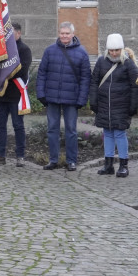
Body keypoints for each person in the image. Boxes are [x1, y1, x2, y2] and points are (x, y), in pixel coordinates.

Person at [36, 21, 91, 171]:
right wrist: (41, 94)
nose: (64, 36)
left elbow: (86, 78)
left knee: (71, 131)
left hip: (72, 99)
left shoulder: (82, 52)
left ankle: (71, 160)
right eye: (62, 33)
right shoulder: (49, 51)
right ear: (59, 34)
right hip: (52, 97)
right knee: (52, 129)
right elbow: (42, 73)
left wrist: (82, 99)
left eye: (67, 33)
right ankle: (53, 160)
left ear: (73, 34)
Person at [88, 34, 138, 177]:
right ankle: (108, 164)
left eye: (117, 50)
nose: (114, 53)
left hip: (122, 105)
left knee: (119, 133)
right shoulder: (101, 62)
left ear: (121, 49)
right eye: (111, 50)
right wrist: (93, 101)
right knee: (108, 134)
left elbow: (135, 86)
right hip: (104, 104)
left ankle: (124, 165)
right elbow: (94, 82)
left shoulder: (128, 64)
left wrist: (133, 106)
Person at [0, 21, 32, 167]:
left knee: (18, 126)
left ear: (18, 33)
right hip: (1, 93)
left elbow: (22, 69)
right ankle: (0, 154)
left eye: (11, 33)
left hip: (16, 95)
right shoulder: (1, 49)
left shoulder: (24, 50)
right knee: (0, 125)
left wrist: (4, 74)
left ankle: (20, 156)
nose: (7, 35)